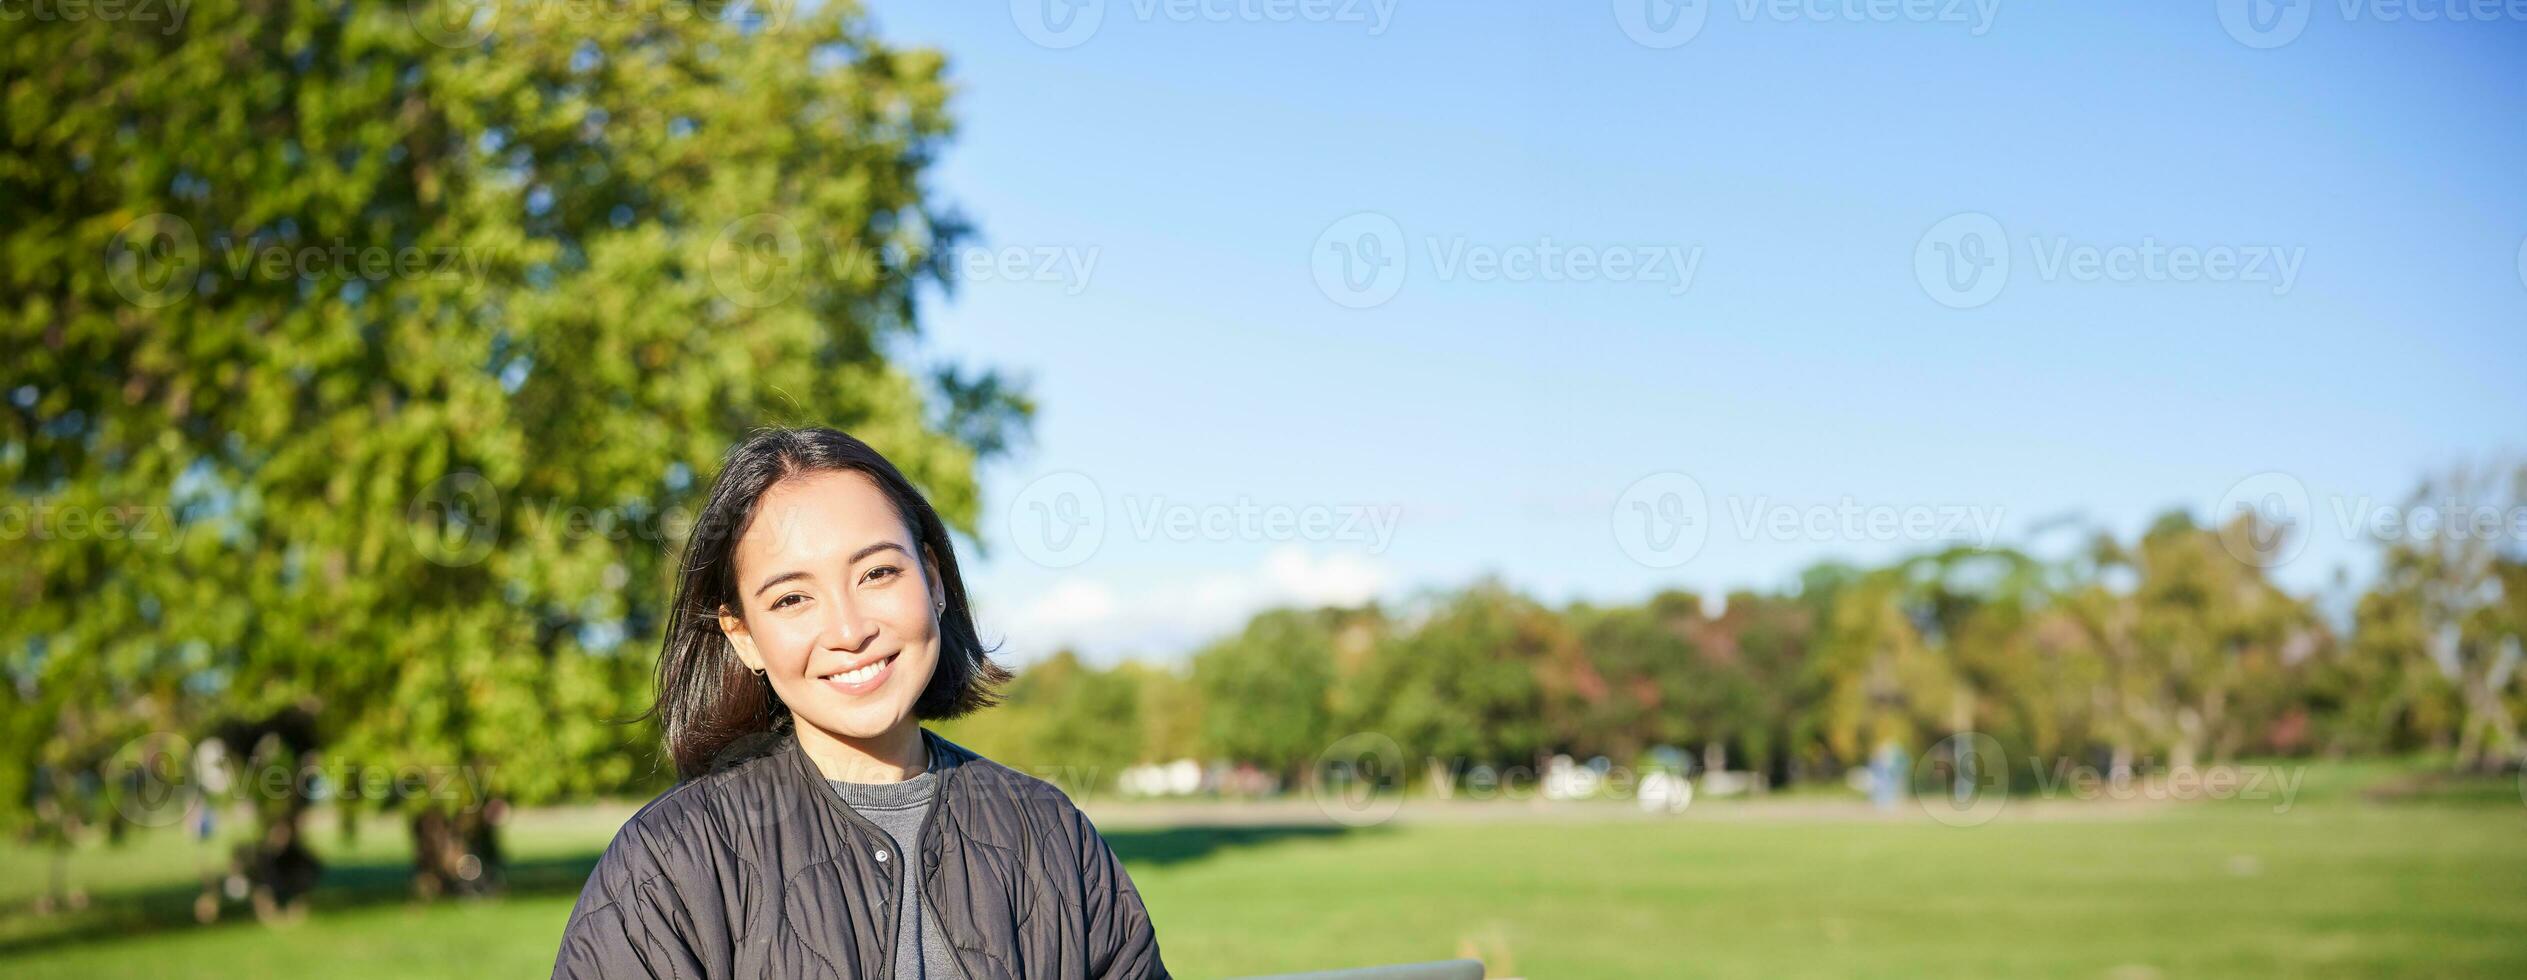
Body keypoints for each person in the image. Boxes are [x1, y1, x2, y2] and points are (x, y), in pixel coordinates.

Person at [552, 427, 1168, 979]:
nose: (849, 630)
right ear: (743, 636)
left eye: (877, 574)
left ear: (932, 580)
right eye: (792, 599)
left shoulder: (1051, 834)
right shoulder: (670, 864)